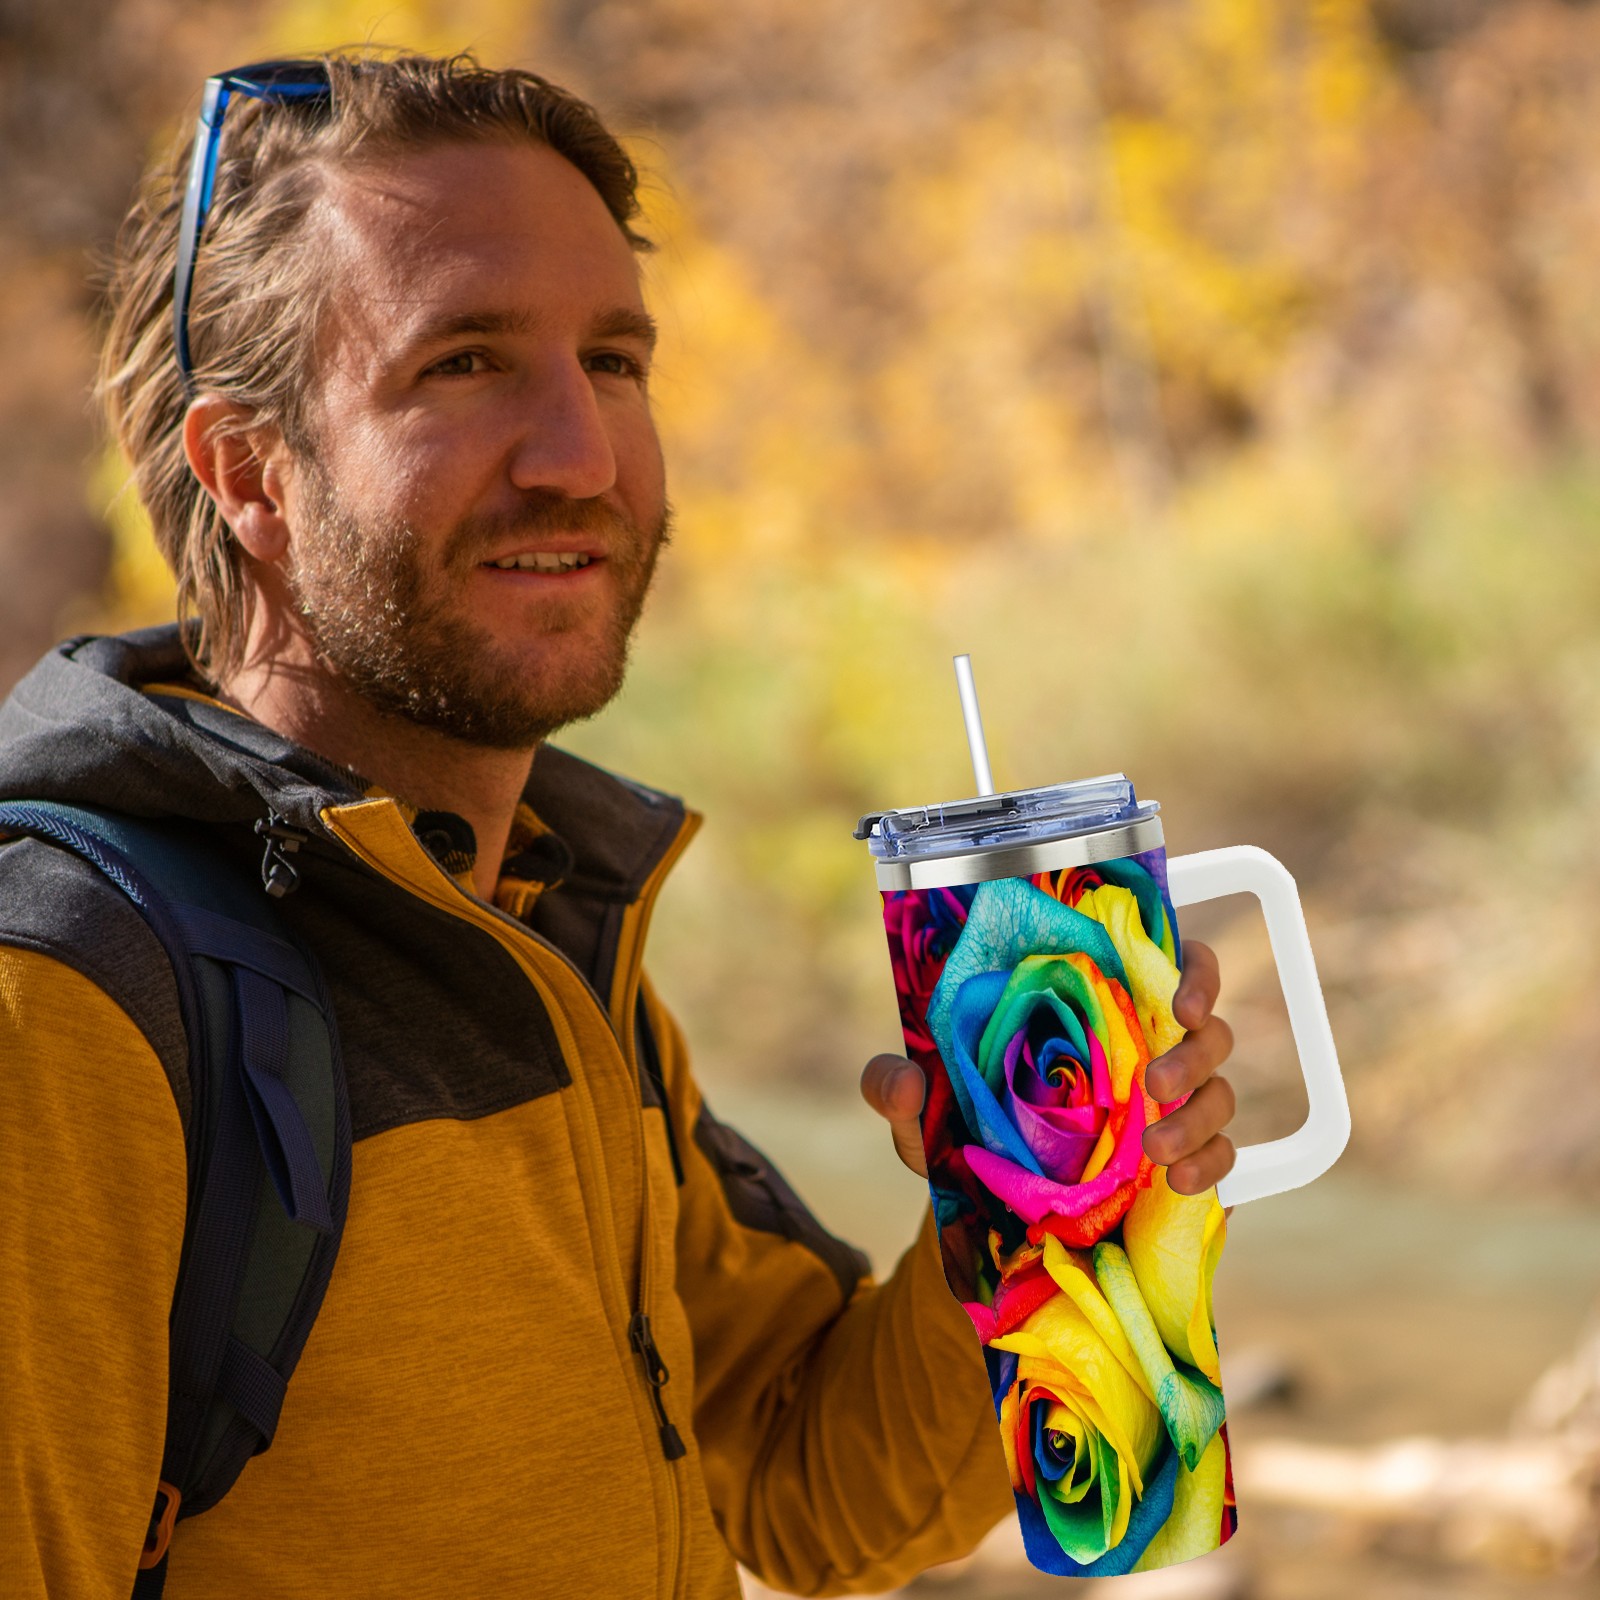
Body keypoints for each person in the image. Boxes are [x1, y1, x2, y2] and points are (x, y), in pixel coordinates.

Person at [0, 51, 1238, 1598]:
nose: (580, 455)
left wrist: (1037, 1212)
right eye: (463, 363)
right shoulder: (70, 998)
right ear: (250, 473)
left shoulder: (542, 923)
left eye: (614, 360)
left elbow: (803, 1486)